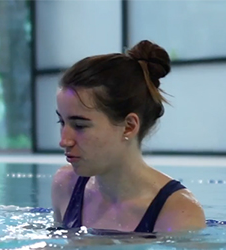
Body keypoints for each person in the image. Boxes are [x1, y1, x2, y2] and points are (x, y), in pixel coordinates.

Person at [51, 40, 206, 233]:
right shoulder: (66, 185)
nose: (64, 140)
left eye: (80, 125)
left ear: (129, 126)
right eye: (62, 122)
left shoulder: (178, 213)